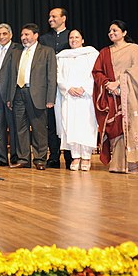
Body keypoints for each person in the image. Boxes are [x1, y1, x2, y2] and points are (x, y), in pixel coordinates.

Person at [93, 20, 138, 173]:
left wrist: (119, 82)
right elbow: (97, 72)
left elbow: (137, 70)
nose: (111, 33)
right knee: (116, 127)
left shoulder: (133, 49)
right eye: (110, 31)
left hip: (131, 95)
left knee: (131, 126)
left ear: (124, 33)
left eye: (115, 30)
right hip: (111, 96)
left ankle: (134, 163)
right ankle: (118, 163)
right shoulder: (105, 52)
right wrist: (108, 84)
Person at [6, 23, 57, 170]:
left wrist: (50, 98)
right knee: (20, 127)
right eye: (22, 35)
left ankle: (40, 159)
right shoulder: (17, 52)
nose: (23, 38)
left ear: (36, 35)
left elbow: (51, 76)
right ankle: (23, 159)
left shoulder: (47, 52)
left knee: (38, 128)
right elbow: (12, 76)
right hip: (18, 93)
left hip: (37, 94)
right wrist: (10, 96)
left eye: (27, 35)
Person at [55, 30, 99, 171]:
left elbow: (95, 73)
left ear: (83, 39)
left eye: (77, 37)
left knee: (86, 126)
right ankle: (75, 157)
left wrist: (84, 88)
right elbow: (58, 75)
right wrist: (68, 88)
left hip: (85, 97)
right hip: (69, 97)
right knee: (70, 126)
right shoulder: (62, 57)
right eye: (71, 37)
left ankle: (86, 157)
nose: (73, 40)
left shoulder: (91, 54)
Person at [39, 8, 72, 169]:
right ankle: (53, 156)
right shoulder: (44, 39)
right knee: (51, 122)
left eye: (54, 16)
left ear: (63, 18)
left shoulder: (72, 36)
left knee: (67, 121)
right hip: (50, 86)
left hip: (68, 87)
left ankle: (70, 156)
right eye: (49, 16)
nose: (50, 19)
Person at [0, 23, 20, 167]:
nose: (1, 37)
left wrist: (11, 94)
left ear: (10, 35)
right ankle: (1, 157)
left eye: (4, 34)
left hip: (11, 91)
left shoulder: (17, 49)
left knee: (14, 125)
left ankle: (15, 156)